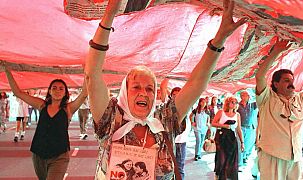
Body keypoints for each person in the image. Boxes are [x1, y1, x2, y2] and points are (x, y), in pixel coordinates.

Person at [84, 0, 245, 179]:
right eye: (136, 87)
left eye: (150, 89)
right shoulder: (111, 117)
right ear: (124, 92)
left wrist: (220, 39)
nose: (143, 93)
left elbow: (196, 83)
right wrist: (108, 17)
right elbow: (92, 75)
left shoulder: (165, 120)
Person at [3, 65, 87, 180]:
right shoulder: (41, 105)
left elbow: (84, 94)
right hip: (38, 153)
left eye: (61, 88)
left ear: (65, 93)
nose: (57, 90)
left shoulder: (68, 109)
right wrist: (7, 70)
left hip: (59, 155)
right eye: (54, 88)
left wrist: (88, 72)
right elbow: (18, 93)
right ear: (49, 91)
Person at [255, 39, 303, 180]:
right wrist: (277, 51)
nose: (292, 84)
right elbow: (260, 76)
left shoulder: (300, 99)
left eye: (292, 80)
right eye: (286, 81)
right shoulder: (266, 98)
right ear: (276, 84)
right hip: (272, 156)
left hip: (296, 157)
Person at [212, 96, 244, 180]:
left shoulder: (237, 115)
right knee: (222, 158)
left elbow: (239, 129)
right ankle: (219, 175)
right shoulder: (221, 112)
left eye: (235, 102)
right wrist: (224, 126)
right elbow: (213, 123)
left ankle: (228, 176)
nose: (234, 104)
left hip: (232, 138)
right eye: (232, 102)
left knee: (231, 159)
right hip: (221, 137)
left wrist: (242, 142)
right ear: (227, 103)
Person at [237, 90, 257, 164]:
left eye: (248, 95)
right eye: (246, 95)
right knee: (241, 144)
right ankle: (240, 161)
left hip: (249, 127)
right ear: (242, 96)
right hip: (240, 127)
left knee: (247, 144)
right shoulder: (237, 105)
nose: (248, 97)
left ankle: (244, 157)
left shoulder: (252, 105)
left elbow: (260, 100)